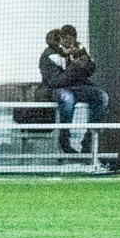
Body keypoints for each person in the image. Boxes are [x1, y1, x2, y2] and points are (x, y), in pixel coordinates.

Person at [40, 25, 108, 154]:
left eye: (72, 38)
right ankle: (64, 141)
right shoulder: (49, 55)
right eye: (64, 39)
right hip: (57, 89)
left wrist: (82, 59)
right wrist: (74, 67)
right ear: (59, 40)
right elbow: (56, 81)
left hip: (79, 87)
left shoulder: (78, 50)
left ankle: (88, 142)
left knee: (101, 96)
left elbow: (90, 70)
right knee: (66, 98)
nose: (68, 42)